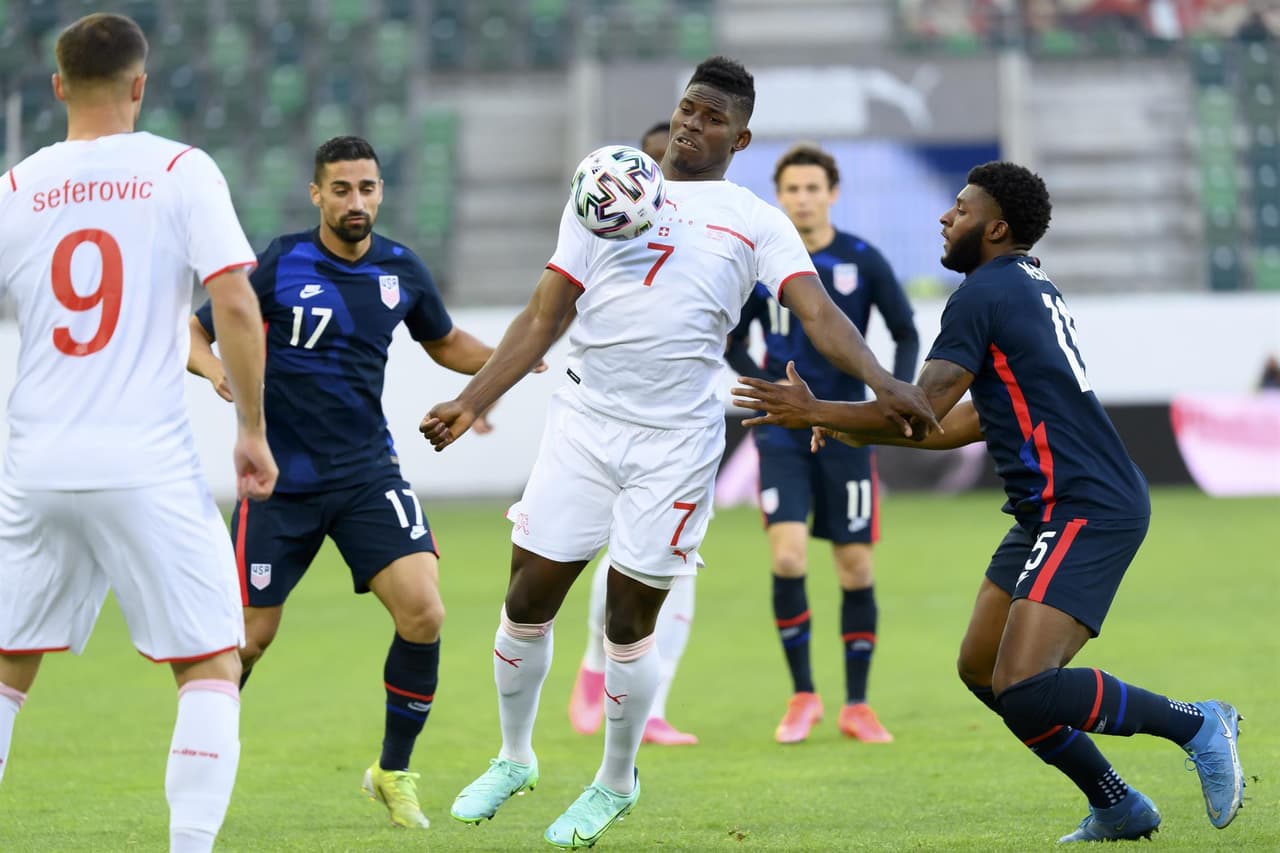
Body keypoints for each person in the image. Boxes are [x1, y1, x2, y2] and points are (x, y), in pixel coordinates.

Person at [419, 56, 938, 849]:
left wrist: (883, 379)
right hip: (584, 421)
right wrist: (473, 398)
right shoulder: (608, 184)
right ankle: (514, 756)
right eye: (688, 109)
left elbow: (819, 313)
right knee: (526, 598)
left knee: (629, 618)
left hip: (674, 441)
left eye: (712, 118)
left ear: (741, 138)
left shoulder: (754, 221)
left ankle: (615, 779)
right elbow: (543, 314)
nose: (692, 125)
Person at [731, 161, 1246, 843]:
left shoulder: (982, 293)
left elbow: (919, 410)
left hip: (1087, 503)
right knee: (983, 670)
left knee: (1026, 683)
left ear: (996, 229)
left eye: (961, 208)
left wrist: (816, 409)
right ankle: (1117, 804)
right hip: (1046, 508)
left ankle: (1198, 722)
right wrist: (847, 423)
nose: (946, 217)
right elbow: (966, 419)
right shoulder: (1025, 283)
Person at [0, 14, 276, 853]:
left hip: (35, 463)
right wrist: (250, 427)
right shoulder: (179, 170)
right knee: (211, 663)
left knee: (7, 667)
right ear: (141, 85)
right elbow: (234, 303)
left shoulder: (17, 186)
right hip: (142, 461)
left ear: (57, 87)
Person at [187, 136, 506, 830]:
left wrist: (510, 361)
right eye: (341, 189)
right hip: (279, 481)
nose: (355, 201)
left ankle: (392, 771)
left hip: (366, 474)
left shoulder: (401, 268)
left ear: (381, 192)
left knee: (424, 611)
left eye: (366, 187)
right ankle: (201, 766)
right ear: (316, 195)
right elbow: (194, 329)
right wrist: (214, 370)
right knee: (248, 639)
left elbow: (445, 342)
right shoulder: (279, 262)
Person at [725, 143, 919, 745]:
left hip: (848, 429)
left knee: (855, 565)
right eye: (792, 189)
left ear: (832, 194)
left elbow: (905, 330)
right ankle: (803, 695)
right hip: (783, 432)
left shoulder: (861, 258)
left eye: (813, 188)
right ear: (779, 197)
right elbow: (733, 337)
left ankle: (857, 704)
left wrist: (893, 395)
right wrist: (764, 386)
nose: (803, 199)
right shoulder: (763, 266)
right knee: (787, 558)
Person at [567, 120, 701, 747]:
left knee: (678, 566)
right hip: (603, 414)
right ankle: (595, 664)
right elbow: (558, 306)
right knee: (619, 556)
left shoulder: (708, 234)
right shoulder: (597, 237)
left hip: (680, 426)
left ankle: (653, 708)